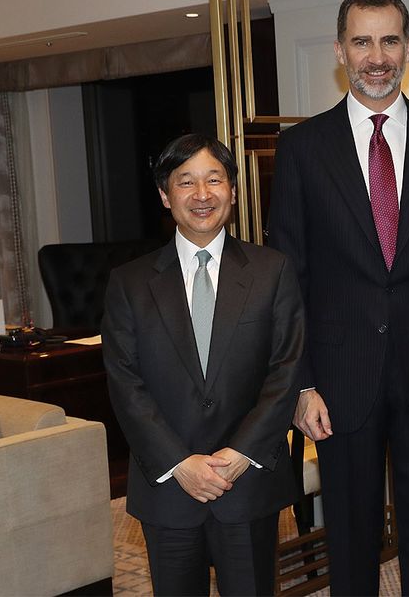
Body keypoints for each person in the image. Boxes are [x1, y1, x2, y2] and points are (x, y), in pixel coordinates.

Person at [267, 0, 409, 594]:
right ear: (340, 51)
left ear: (408, 47)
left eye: (389, 40)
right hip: (338, 384)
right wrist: (301, 382)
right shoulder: (301, 150)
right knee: (351, 545)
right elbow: (288, 283)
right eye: (362, 41)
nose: (376, 56)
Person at [102, 134, 305, 596]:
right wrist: (179, 462)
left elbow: (286, 370)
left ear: (232, 190)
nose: (201, 195)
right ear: (164, 194)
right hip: (169, 488)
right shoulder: (129, 283)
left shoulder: (272, 271)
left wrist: (239, 455)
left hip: (248, 482)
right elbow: (124, 384)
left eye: (214, 180)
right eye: (185, 182)